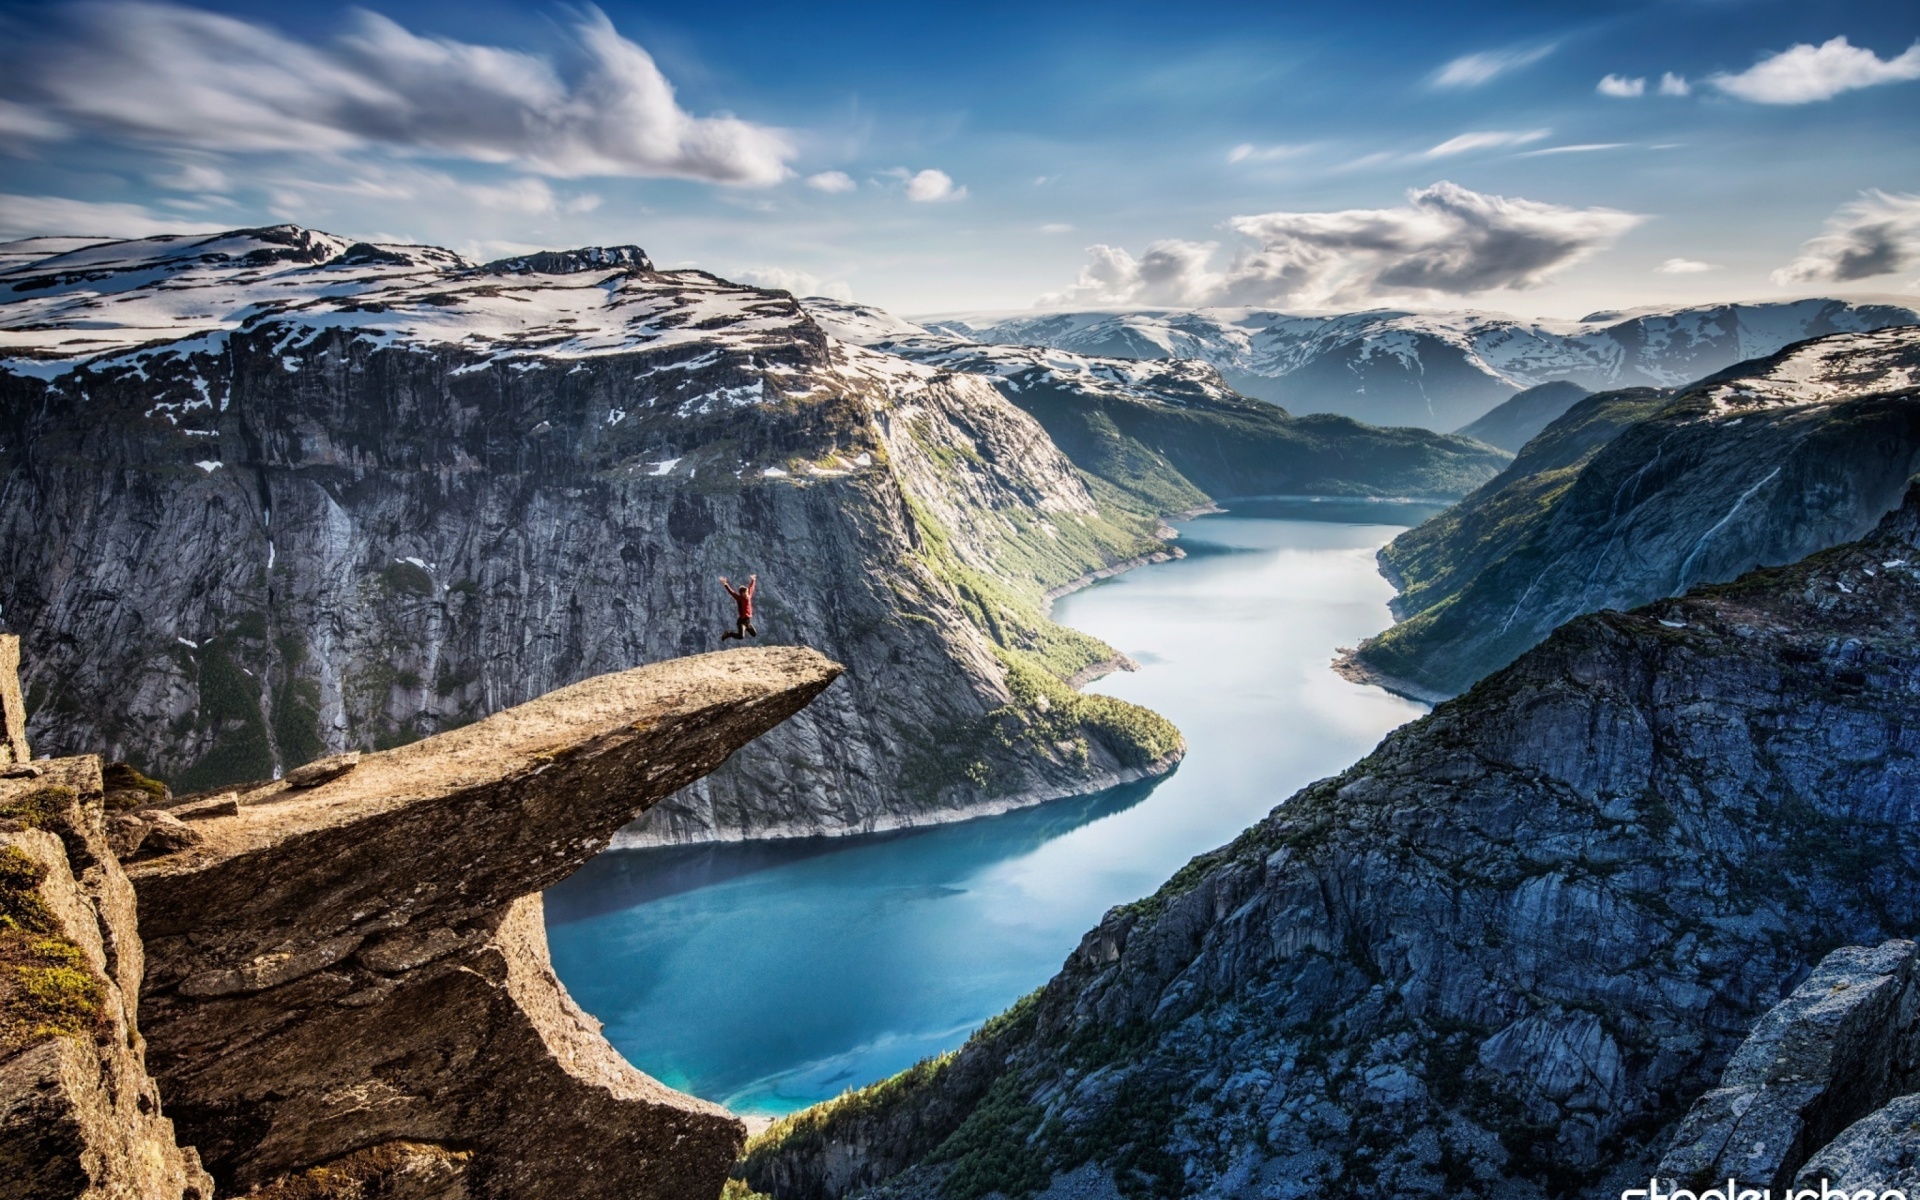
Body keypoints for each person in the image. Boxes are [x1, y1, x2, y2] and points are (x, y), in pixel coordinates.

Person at [719, 574, 758, 641]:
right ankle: (729, 634)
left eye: (746, 592)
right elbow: (732, 592)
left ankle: (746, 628)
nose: (746, 594)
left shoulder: (749, 596)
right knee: (741, 636)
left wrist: (753, 580)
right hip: (741, 621)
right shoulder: (739, 599)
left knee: (754, 634)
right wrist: (725, 584)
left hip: (748, 621)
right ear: (741, 594)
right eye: (744, 593)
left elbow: (751, 588)